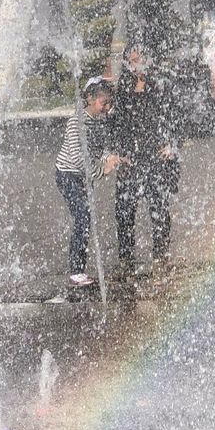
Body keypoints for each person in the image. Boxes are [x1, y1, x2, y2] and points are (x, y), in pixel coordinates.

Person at [110, 45, 180, 275]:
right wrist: (117, 155)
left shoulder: (160, 86)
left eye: (140, 58)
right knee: (124, 211)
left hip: (156, 156)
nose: (137, 63)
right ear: (127, 64)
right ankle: (126, 260)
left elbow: (175, 116)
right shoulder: (122, 91)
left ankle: (160, 258)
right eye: (132, 60)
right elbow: (115, 126)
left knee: (159, 208)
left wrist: (171, 144)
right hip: (130, 158)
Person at [54, 80, 119, 288]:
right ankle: (75, 272)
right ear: (90, 99)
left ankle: (78, 269)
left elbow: (104, 146)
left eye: (109, 103)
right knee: (83, 215)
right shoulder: (76, 122)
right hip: (67, 175)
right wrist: (102, 170)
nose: (107, 108)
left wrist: (111, 158)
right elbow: (78, 159)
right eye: (103, 102)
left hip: (82, 176)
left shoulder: (99, 121)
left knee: (85, 216)